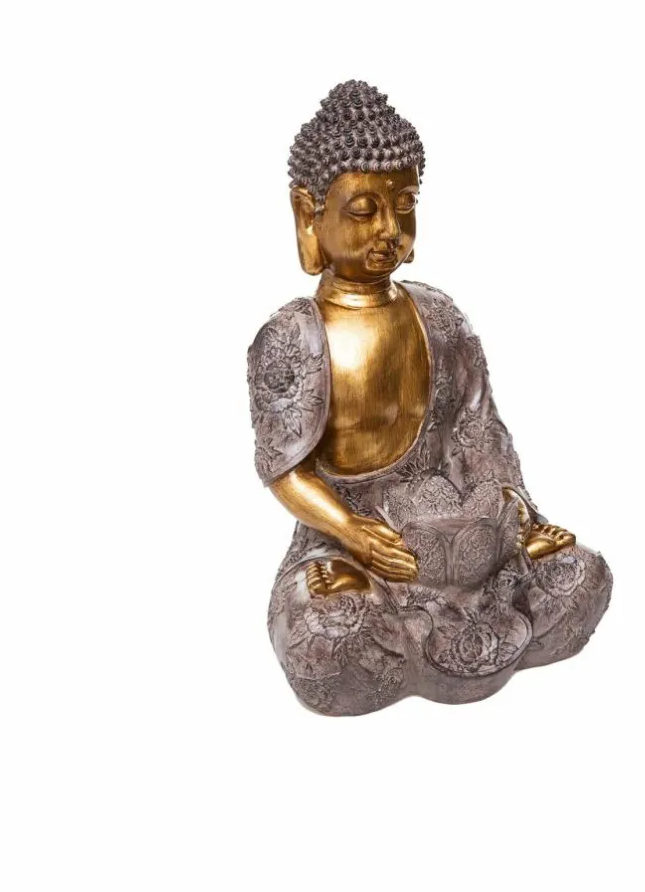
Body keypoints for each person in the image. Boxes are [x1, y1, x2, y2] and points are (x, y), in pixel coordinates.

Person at [249, 81, 611, 715]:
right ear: (309, 216)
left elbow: (480, 437)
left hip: (466, 545)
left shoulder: (440, 317)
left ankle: (461, 619)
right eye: (364, 210)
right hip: (357, 550)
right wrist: (351, 533)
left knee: (582, 574)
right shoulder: (294, 334)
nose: (388, 230)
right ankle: (393, 629)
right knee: (328, 636)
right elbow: (286, 471)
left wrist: (522, 523)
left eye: (405, 205)